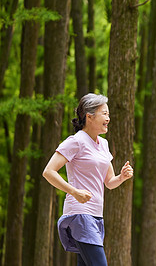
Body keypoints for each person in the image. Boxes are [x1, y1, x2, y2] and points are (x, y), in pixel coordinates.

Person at [42, 93, 133, 266]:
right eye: (104, 114)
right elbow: (49, 171)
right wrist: (73, 191)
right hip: (80, 214)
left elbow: (109, 182)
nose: (108, 118)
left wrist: (121, 177)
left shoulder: (104, 144)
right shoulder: (76, 141)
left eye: (108, 114)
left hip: (97, 216)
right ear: (89, 117)